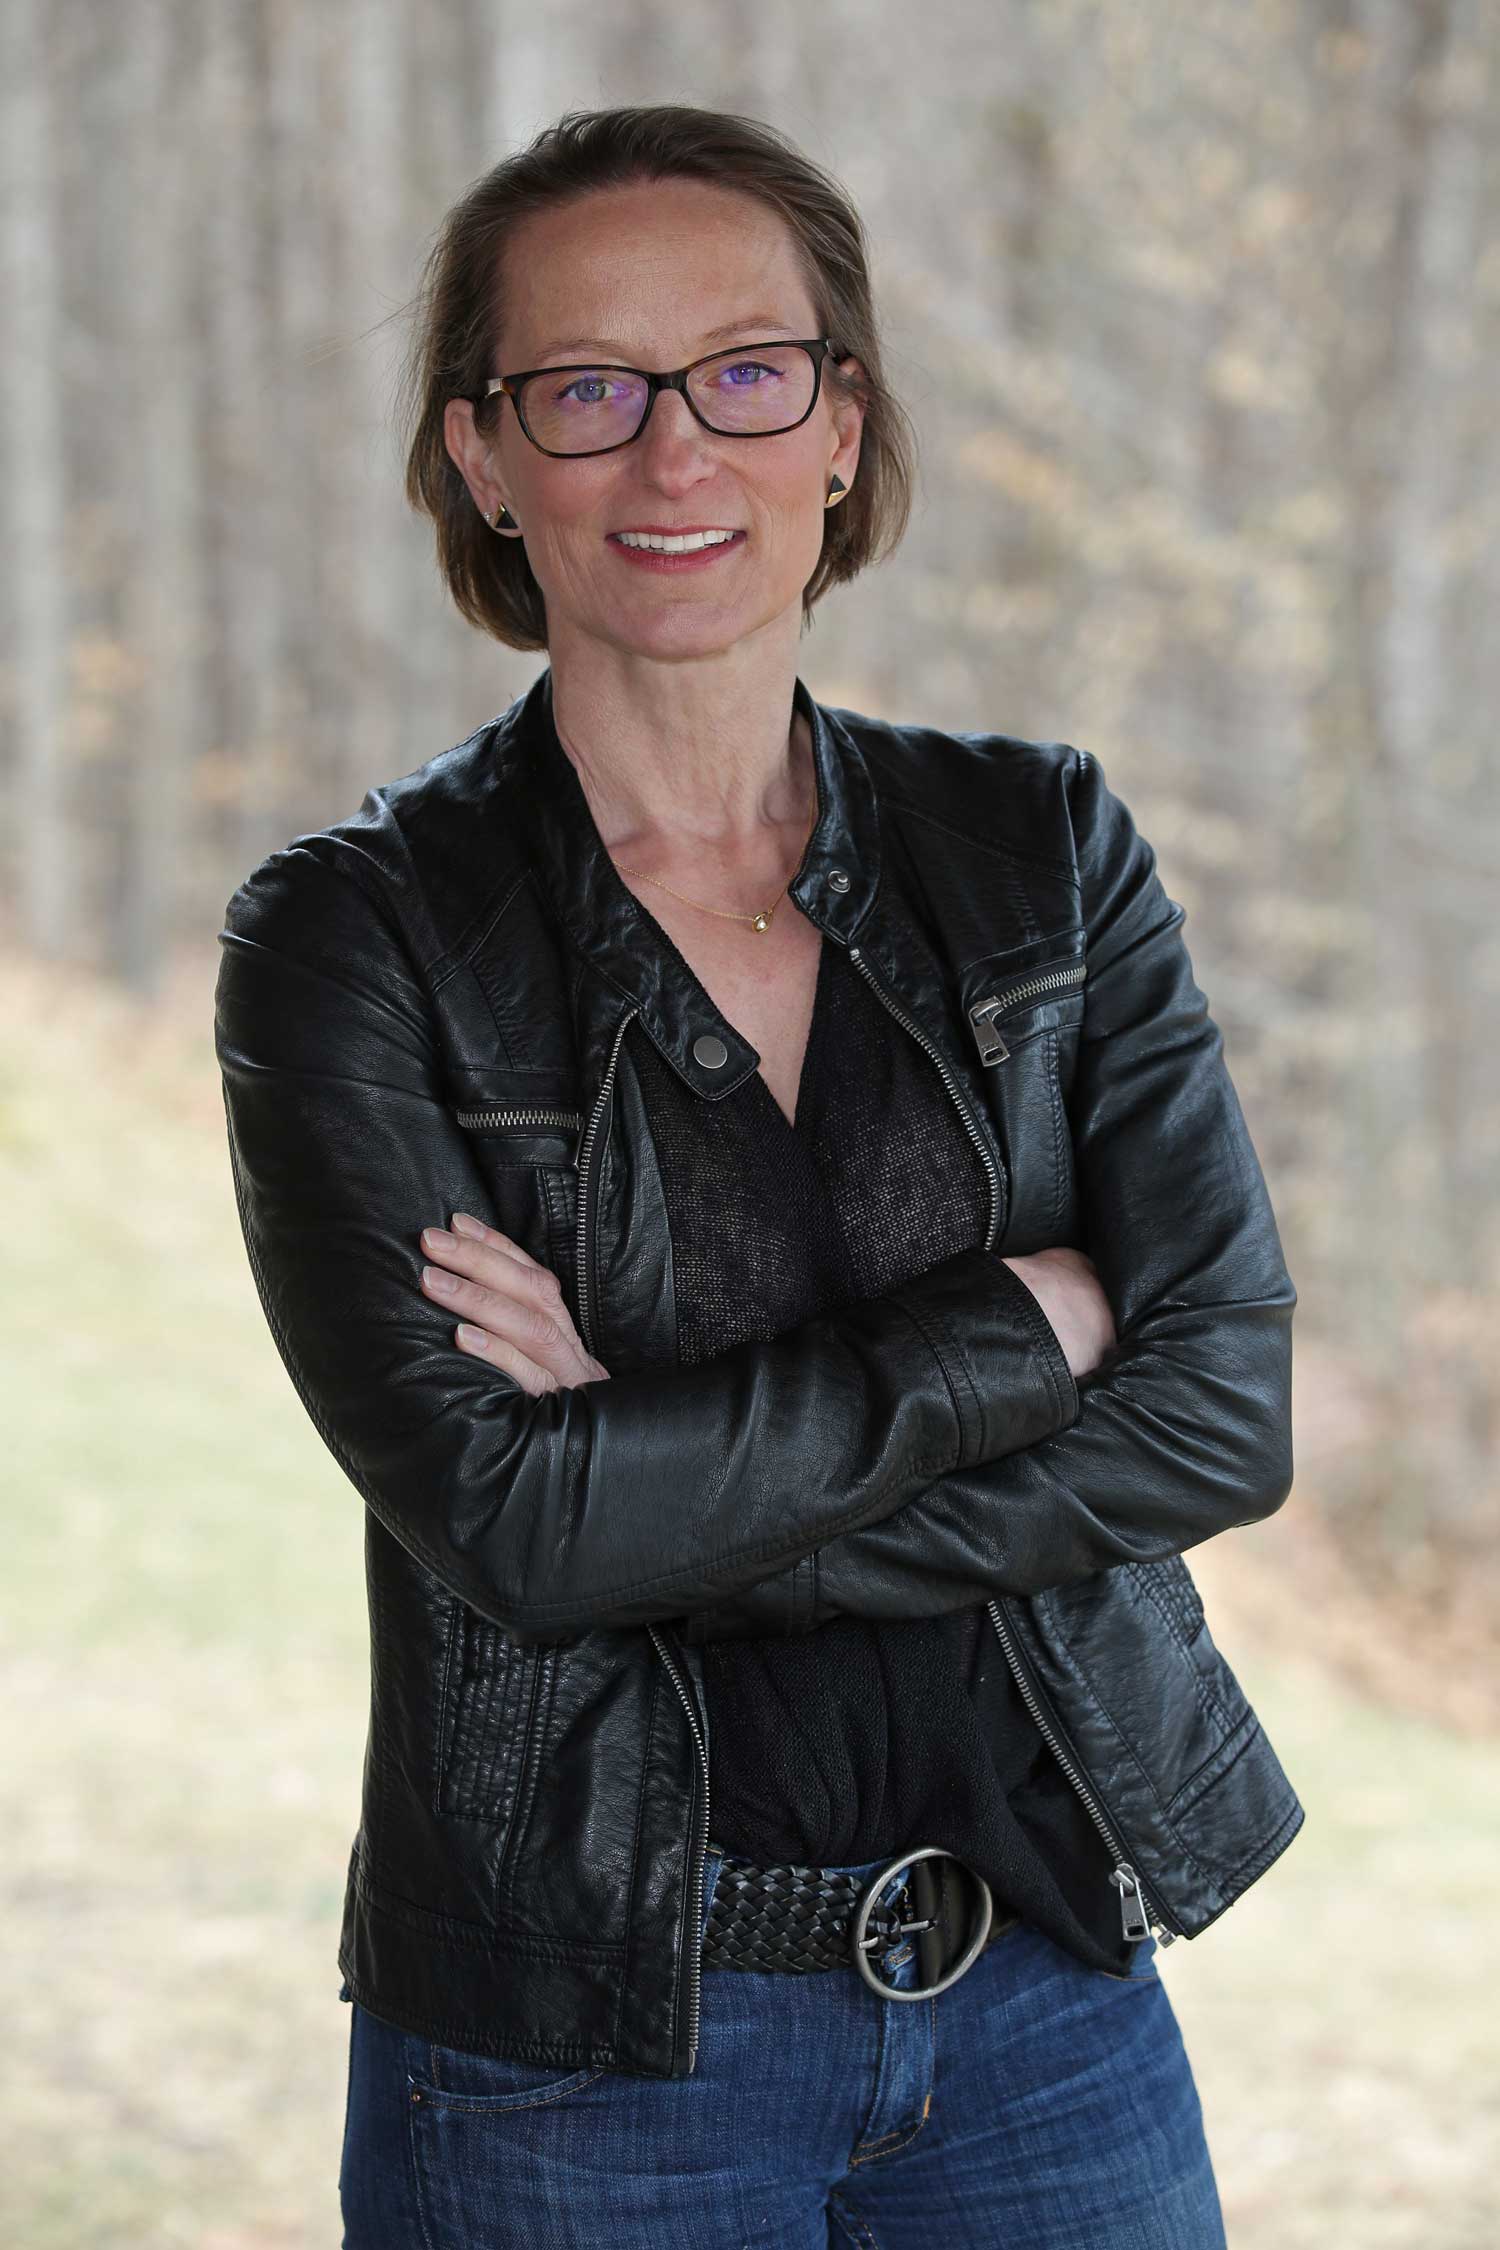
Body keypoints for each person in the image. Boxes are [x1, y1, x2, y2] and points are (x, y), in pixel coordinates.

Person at [214, 102, 1303, 2248]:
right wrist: (1015, 1328)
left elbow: (1219, 1411)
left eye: (745, 372)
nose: (672, 456)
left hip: (1043, 1997)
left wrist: (656, 1475)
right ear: (481, 458)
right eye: (587, 392)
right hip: (582, 2048)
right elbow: (513, 1525)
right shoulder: (359, 933)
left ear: (840, 425)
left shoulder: (1039, 853)